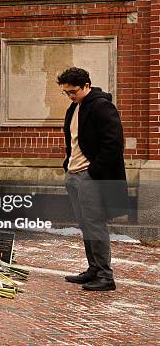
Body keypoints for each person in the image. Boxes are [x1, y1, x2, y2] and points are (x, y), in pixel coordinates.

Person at [57, 67, 128, 291]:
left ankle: (106, 277)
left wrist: (93, 172)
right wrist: (68, 165)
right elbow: (75, 142)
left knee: (95, 225)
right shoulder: (74, 108)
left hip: (91, 177)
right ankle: (93, 270)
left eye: (73, 91)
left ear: (86, 85)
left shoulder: (101, 106)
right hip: (74, 175)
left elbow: (114, 143)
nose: (69, 96)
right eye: (66, 92)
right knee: (85, 225)